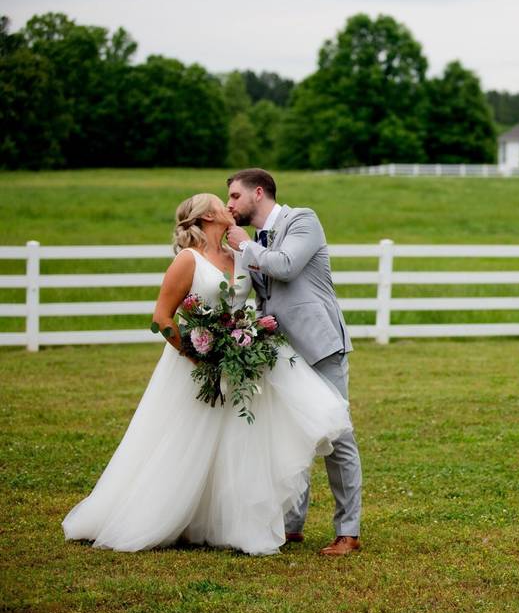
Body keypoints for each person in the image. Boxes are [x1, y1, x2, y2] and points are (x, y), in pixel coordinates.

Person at [62, 193, 352, 555]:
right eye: (223, 201)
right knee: (183, 442)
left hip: (237, 364)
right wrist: (195, 354)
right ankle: (156, 513)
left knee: (235, 446)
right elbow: (161, 319)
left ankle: (233, 523)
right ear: (207, 215)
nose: (230, 206)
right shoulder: (189, 260)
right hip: (194, 366)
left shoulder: (238, 256)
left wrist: (246, 338)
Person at [225, 169, 362, 557]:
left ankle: (348, 531)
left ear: (258, 193)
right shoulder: (253, 241)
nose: (229, 205)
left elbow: (285, 266)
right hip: (282, 352)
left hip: (320, 345)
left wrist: (245, 248)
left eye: (235, 197)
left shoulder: (302, 219)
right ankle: (291, 525)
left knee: (337, 436)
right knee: (289, 435)